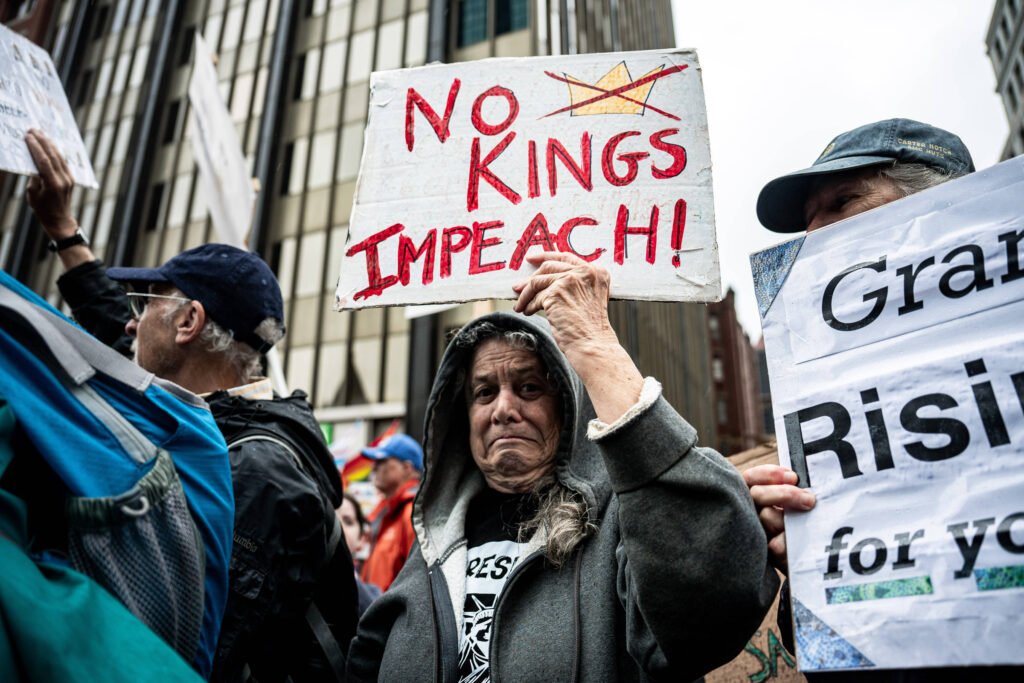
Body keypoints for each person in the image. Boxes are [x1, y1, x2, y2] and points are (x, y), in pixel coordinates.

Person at [346, 250, 778, 682]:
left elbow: (703, 619)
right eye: (483, 392)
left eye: (529, 387)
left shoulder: (621, 527)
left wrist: (595, 346)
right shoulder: (432, 546)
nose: (503, 409)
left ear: (568, 409)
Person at [23, 129, 358, 682]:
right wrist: (62, 229)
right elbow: (115, 332)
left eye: (146, 305)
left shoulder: (256, 472)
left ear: (188, 323)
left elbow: (196, 648)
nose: (132, 321)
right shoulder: (194, 414)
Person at [747, 118, 1018, 681]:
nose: (813, 234)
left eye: (842, 202)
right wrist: (820, 568)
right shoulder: (827, 402)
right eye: (807, 220)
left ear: (942, 204)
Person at [358, 433, 423, 591]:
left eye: (382, 461)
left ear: (407, 468)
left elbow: (419, 580)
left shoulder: (413, 513)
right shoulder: (385, 511)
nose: (374, 467)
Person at [338, 492, 382, 614]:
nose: (337, 524)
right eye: (331, 516)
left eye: (348, 521)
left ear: (362, 539)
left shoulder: (374, 595)